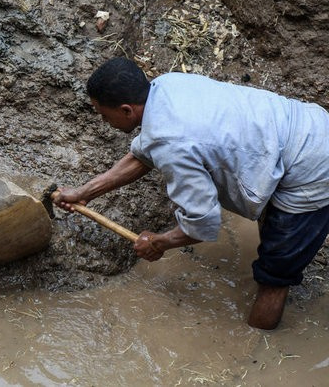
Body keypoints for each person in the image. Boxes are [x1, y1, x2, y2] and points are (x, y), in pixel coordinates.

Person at [54, 57, 329, 330]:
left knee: (274, 276)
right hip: (308, 125)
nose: (104, 122)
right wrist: (85, 192)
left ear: (127, 110)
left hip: (313, 168)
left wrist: (158, 243)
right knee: (271, 231)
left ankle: (261, 353)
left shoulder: (172, 143)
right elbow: (143, 154)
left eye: (104, 115)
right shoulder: (167, 85)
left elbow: (204, 224)